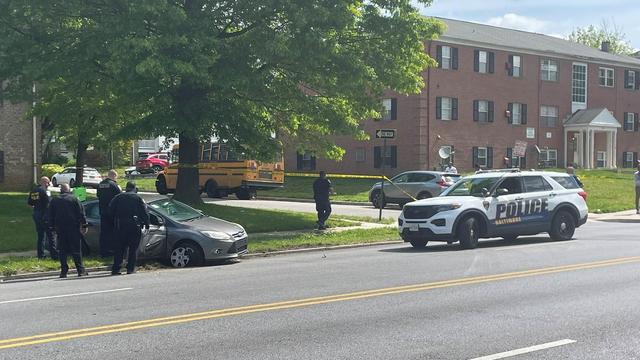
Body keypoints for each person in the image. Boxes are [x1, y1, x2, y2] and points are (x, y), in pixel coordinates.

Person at [109, 181, 149, 275]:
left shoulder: (118, 197)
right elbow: (144, 212)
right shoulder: (138, 198)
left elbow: (110, 210)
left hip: (120, 225)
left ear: (126, 188)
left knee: (119, 249)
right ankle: (130, 268)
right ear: (134, 188)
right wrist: (146, 223)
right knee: (133, 248)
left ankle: (116, 269)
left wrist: (115, 221)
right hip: (134, 225)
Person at [48, 184, 88, 278]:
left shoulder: (55, 200)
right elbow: (81, 213)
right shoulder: (74, 199)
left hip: (60, 228)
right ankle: (80, 270)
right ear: (69, 190)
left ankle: (63, 271)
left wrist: (52, 227)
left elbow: (50, 215)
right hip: (73, 227)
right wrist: (84, 225)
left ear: (60, 190)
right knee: (76, 249)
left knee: (62, 250)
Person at [28, 176, 58, 260]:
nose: (48, 184)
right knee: (51, 235)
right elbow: (49, 203)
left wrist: (36, 208)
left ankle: (40, 255)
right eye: (48, 182)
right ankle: (54, 255)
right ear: (44, 182)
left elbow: (30, 203)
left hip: (36, 215)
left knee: (41, 236)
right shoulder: (44, 191)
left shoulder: (34, 190)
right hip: (45, 216)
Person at [97, 169, 121, 257]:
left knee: (104, 232)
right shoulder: (114, 185)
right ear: (114, 176)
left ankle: (103, 251)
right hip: (112, 212)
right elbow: (119, 197)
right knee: (113, 231)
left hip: (102, 211)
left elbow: (98, 196)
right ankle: (112, 250)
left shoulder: (100, 184)